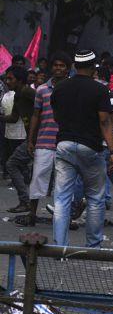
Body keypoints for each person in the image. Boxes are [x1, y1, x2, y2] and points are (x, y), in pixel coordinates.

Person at [50, 50, 113, 247]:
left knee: (62, 198)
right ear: (93, 67)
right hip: (90, 146)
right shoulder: (99, 90)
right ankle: (93, 246)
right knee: (95, 198)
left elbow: (56, 118)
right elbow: (105, 122)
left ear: (74, 66)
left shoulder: (60, 88)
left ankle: (59, 247)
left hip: (64, 145)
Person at [19, 52, 72, 226]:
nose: (58, 68)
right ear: (51, 67)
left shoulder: (73, 88)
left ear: (68, 69)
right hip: (44, 141)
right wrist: (30, 139)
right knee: (38, 177)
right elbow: (36, 115)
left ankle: (64, 217)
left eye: (62, 65)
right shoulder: (42, 90)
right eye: (56, 65)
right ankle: (32, 214)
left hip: (67, 141)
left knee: (63, 181)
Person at [1, 66, 35, 212]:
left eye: (10, 78)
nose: (7, 81)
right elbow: (14, 118)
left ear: (20, 80)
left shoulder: (28, 92)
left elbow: (45, 107)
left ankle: (25, 202)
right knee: (15, 164)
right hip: (31, 138)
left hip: (38, 137)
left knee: (12, 164)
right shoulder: (17, 95)